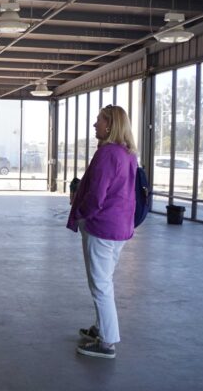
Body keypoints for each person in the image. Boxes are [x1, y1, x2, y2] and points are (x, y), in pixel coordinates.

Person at [67, 105, 137, 359]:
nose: (95, 124)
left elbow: (97, 194)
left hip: (102, 227)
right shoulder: (127, 153)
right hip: (120, 227)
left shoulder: (107, 154)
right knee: (104, 280)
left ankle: (107, 342)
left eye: (99, 120)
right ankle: (101, 328)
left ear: (110, 125)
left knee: (100, 285)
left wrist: (82, 213)